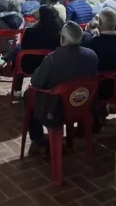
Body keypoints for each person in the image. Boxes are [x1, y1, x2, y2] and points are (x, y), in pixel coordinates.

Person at [26, 22, 99, 151]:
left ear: (63, 39)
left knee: (28, 95)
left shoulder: (52, 58)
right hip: (84, 104)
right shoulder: (92, 55)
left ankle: (38, 138)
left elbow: (36, 82)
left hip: (56, 110)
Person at [0, 3, 62, 88]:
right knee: (20, 49)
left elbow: (24, 46)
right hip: (49, 65)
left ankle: (17, 88)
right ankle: (4, 59)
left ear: (40, 18)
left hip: (29, 66)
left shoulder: (30, 32)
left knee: (20, 51)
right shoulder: (58, 33)